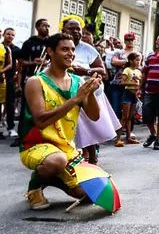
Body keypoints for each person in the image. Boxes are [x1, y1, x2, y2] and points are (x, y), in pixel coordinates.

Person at [18, 33, 102, 210]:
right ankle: (34, 187)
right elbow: (40, 121)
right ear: (50, 51)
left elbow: (95, 116)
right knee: (56, 161)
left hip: (64, 148)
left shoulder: (78, 82)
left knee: (88, 194)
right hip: (35, 145)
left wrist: (91, 93)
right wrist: (74, 100)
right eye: (65, 49)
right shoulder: (36, 82)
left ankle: (52, 179)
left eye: (72, 49)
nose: (70, 53)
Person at [61, 17, 118, 164]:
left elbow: (103, 72)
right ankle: (73, 154)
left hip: (86, 92)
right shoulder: (57, 46)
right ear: (63, 31)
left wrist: (85, 71)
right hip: (64, 91)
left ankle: (91, 155)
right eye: (71, 29)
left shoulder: (88, 49)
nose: (75, 32)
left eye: (78, 29)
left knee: (87, 124)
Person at [11, 19, 50, 146]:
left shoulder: (51, 42)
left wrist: (47, 63)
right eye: (44, 26)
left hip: (47, 78)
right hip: (31, 78)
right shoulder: (29, 42)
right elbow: (21, 61)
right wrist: (34, 62)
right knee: (25, 108)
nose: (47, 28)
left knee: (45, 108)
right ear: (37, 27)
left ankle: (43, 136)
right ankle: (22, 136)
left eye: (48, 26)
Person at [119, 52, 142, 145]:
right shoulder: (127, 70)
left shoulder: (138, 71)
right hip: (127, 93)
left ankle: (128, 137)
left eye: (139, 60)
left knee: (130, 117)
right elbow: (122, 82)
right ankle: (117, 139)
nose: (138, 62)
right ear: (131, 60)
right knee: (124, 117)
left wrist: (138, 83)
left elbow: (141, 83)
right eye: (136, 60)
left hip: (134, 95)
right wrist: (134, 84)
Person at [2, 27, 20, 141]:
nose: (10, 36)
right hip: (0, 78)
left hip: (10, 79)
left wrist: (18, 82)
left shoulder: (16, 50)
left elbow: (20, 66)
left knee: (10, 104)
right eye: (8, 34)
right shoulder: (0, 47)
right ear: (4, 34)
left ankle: (11, 127)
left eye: (12, 35)